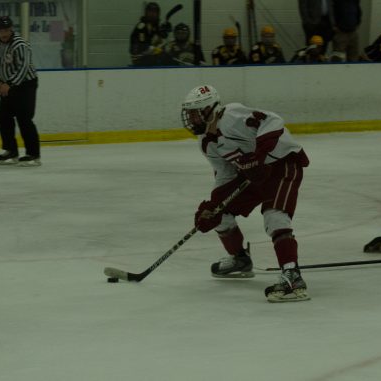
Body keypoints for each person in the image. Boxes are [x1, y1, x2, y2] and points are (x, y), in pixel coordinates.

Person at [181, 85, 311, 302]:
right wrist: (214, 205)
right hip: (252, 173)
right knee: (219, 214)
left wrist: (259, 155)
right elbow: (224, 175)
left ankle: (292, 275)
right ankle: (239, 258)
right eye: (189, 114)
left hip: (282, 163)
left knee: (274, 216)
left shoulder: (231, 116)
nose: (191, 119)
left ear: (210, 110)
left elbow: (273, 120)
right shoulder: (206, 143)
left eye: (195, 113)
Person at [0, 16, 41, 167]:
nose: (4, 33)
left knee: (24, 119)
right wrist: (0, 81)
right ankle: (11, 151)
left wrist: (10, 83)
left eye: (7, 30)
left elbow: (24, 67)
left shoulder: (20, 44)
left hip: (26, 85)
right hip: (8, 84)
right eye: (1, 30)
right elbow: (1, 65)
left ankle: (33, 154)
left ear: (11, 29)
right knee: (4, 117)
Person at [129, 2, 169, 66]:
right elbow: (140, 47)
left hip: (153, 59)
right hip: (142, 61)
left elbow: (161, 41)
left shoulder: (156, 27)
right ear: (146, 13)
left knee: (167, 57)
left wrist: (165, 32)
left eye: (155, 12)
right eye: (150, 11)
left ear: (158, 14)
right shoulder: (141, 27)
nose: (152, 14)